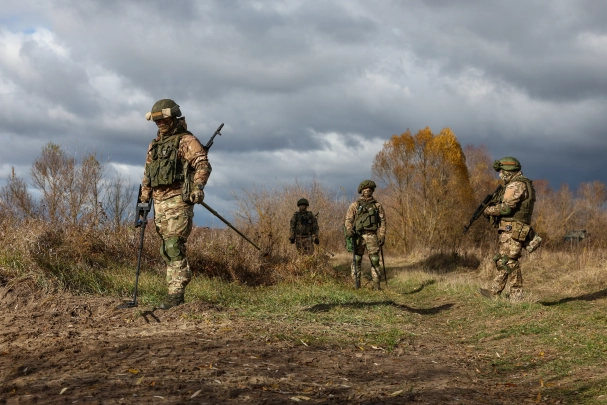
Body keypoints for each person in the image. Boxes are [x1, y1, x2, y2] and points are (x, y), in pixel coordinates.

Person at [140, 99, 212, 309]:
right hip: (159, 203)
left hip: (178, 200)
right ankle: (173, 289)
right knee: (166, 248)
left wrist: (198, 187)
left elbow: (203, 165)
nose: (160, 123)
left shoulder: (186, 141)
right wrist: (144, 199)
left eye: (164, 119)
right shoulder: (154, 145)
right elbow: (147, 175)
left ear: (173, 117)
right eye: (157, 121)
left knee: (174, 245)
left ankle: (176, 293)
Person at [480, 157, 541, 300]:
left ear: (509, 171)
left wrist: (488, 210)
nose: (500, 174)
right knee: (505, 260)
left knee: (509, 261)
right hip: (511, 228)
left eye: (501, 171)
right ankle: (496, 292)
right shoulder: (521, 183)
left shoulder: (516, 185)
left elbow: (507, 209)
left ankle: (514, 296)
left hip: (513, 229)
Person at [344, 180, 386, 290]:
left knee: (375, 260)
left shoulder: (377, 206)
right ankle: (356, 284)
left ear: (372, 190)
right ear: (361, 190)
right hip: (358, 236)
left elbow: (382, 222)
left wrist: (382, 235)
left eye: (370, 189)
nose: (367, 190)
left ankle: (377, 285)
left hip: (372, 236)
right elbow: (348, 220)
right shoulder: (355, 205)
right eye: (365, 188)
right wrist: (349, 230)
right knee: (357, 259)